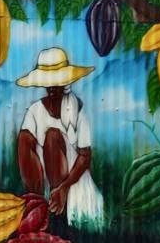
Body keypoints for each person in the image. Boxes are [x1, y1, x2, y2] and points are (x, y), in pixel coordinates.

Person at [15, 47, 103, 230]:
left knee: (52, 137)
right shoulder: (35, 112)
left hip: (72, 182)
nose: (52, 87)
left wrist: (64, 187)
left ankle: (59, 213)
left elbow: (85, 156)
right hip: (45, 181)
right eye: (49, 83)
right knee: (25, 138)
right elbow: (26, 148)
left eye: (57, 82)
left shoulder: (77, 110)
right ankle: (38, 205)